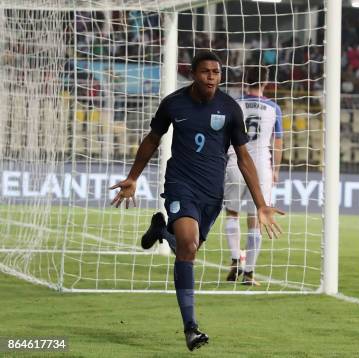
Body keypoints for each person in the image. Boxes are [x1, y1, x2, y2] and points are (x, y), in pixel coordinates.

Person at [109, 51, 284, 351]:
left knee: (186, 248)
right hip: (180, 184)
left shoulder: (230, 108)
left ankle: (161, 231)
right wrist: (133, 177)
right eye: (206, 72)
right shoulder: (174, 104)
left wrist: (261, 203)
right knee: (188, 246)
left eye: (216, 72)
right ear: (193, 73)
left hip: (212, 194)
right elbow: (153, 139)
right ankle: (190, 327)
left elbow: (243, 158)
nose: (212, 77)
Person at [223, 65, 283, 286]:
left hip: (236, 162)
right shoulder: (273, 108)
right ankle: (249, 273)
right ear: (266, 82)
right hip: (261, 167)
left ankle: (235, 259)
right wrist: (276, 169)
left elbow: (224, 136)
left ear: (244, 80)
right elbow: (277, 143)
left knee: (231, 214)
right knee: (256, 218)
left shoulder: (234, 104)